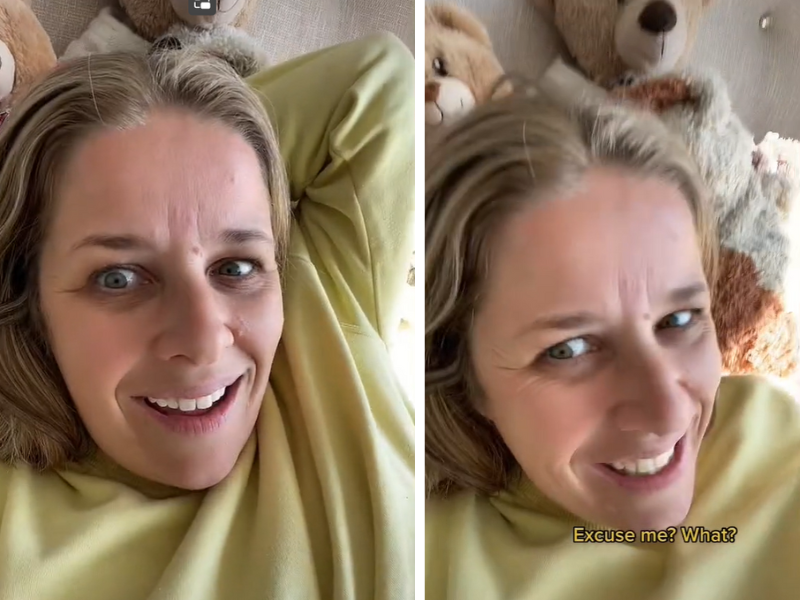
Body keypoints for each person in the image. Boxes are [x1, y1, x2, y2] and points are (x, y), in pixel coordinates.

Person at [0, 34, 414, 599]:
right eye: (119, 278)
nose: (203, 340)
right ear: (29, 296)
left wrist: (184, 138)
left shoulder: (317, 305)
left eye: (236, 268)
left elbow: (376, 75)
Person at [425, 90, 800, 599]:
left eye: (680, 319)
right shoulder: (425, 552)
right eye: (570, 349)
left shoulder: (775, 441)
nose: (667, 411)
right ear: (463, 372)